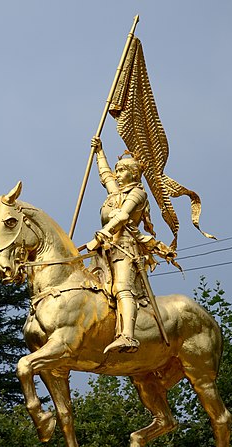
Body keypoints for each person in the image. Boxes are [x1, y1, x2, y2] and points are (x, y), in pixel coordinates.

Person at [87, 137, 176, 353]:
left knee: (121, 288)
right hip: (104, 249)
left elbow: (123, 215)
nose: (117, 175)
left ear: (133, 174)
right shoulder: (115, 192)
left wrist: (102, 234)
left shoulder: (138, 193)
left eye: (121, 171)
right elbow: (104, 175)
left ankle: (128, 336)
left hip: (124, 248)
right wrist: (99, 151)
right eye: (117, 171)